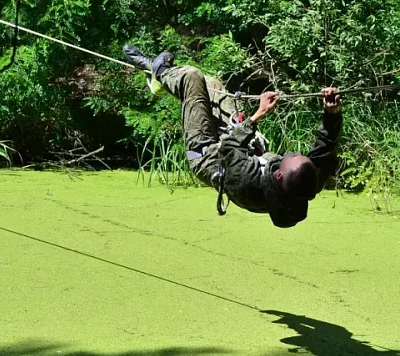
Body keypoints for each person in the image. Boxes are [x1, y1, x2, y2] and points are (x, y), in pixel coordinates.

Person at [121, 44, 342, 228]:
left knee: (191, 77)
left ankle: (157, 71)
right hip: (242, 149)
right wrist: (331, 113)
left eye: (287, 159)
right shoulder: (307, 182)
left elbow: (228, 148)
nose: (291, 153)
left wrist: (258, 115)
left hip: (207, 153)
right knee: (212, 85)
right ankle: (159, 79)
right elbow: (325, 148)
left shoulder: (247, 183)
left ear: (278, 176)